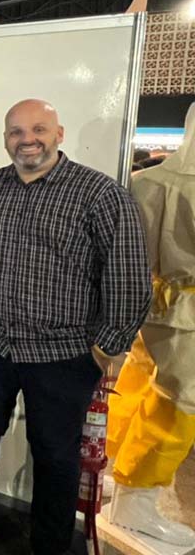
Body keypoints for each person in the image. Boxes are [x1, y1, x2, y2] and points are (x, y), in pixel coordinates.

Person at [0, 99, 152, 555]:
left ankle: (50, 546)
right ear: (5, 139)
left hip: (64, 353)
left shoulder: (100, 194)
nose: (27, 140)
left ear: (59, 134)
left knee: (56, 454)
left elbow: (129, 276)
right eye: (16, 131)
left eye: (38, 129)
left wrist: (105, 348)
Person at [106, 102, 195, 547]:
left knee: (139, 383)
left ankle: (115, 473)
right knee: (178, 405)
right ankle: (135, 500)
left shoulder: (146, 182)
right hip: (188, 311)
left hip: (155, 301)